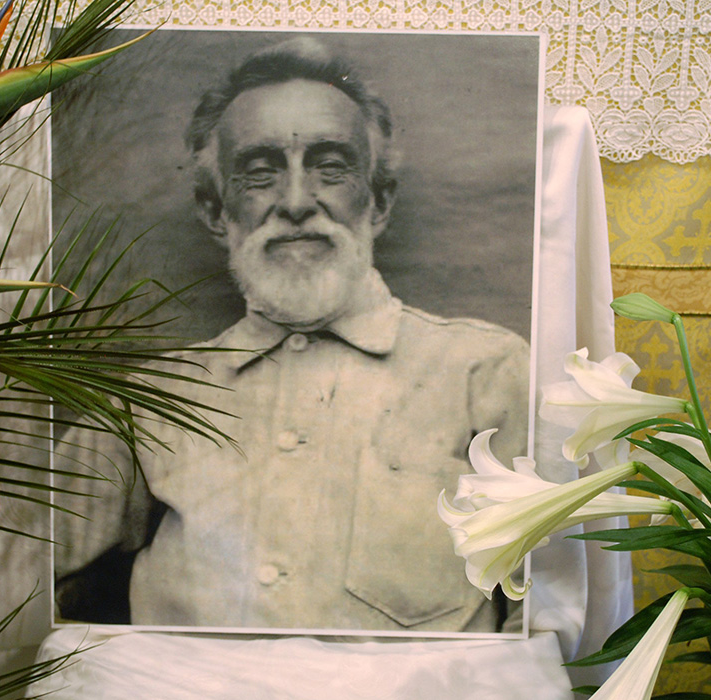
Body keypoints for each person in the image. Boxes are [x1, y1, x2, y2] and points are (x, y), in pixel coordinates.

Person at [54, 37, 530, 633]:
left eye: (331, 168)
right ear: (214, 211)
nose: (298, 202)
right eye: (259, 173)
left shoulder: (486, 371)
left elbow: (545, 618)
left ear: (378, 201)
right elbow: (14, 576)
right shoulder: (150, 395)